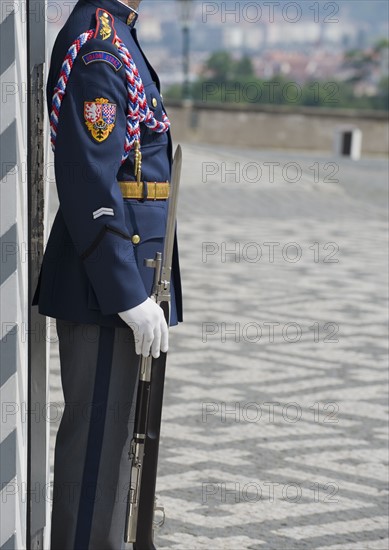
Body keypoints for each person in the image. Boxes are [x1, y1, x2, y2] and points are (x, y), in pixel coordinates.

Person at [33, 0, 182, 547]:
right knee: (96, 458)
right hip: (105, 286)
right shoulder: (100, 45)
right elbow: (90, 181)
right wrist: (126, 292)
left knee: (120, 449)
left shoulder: (119, 32)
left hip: (127, 275)